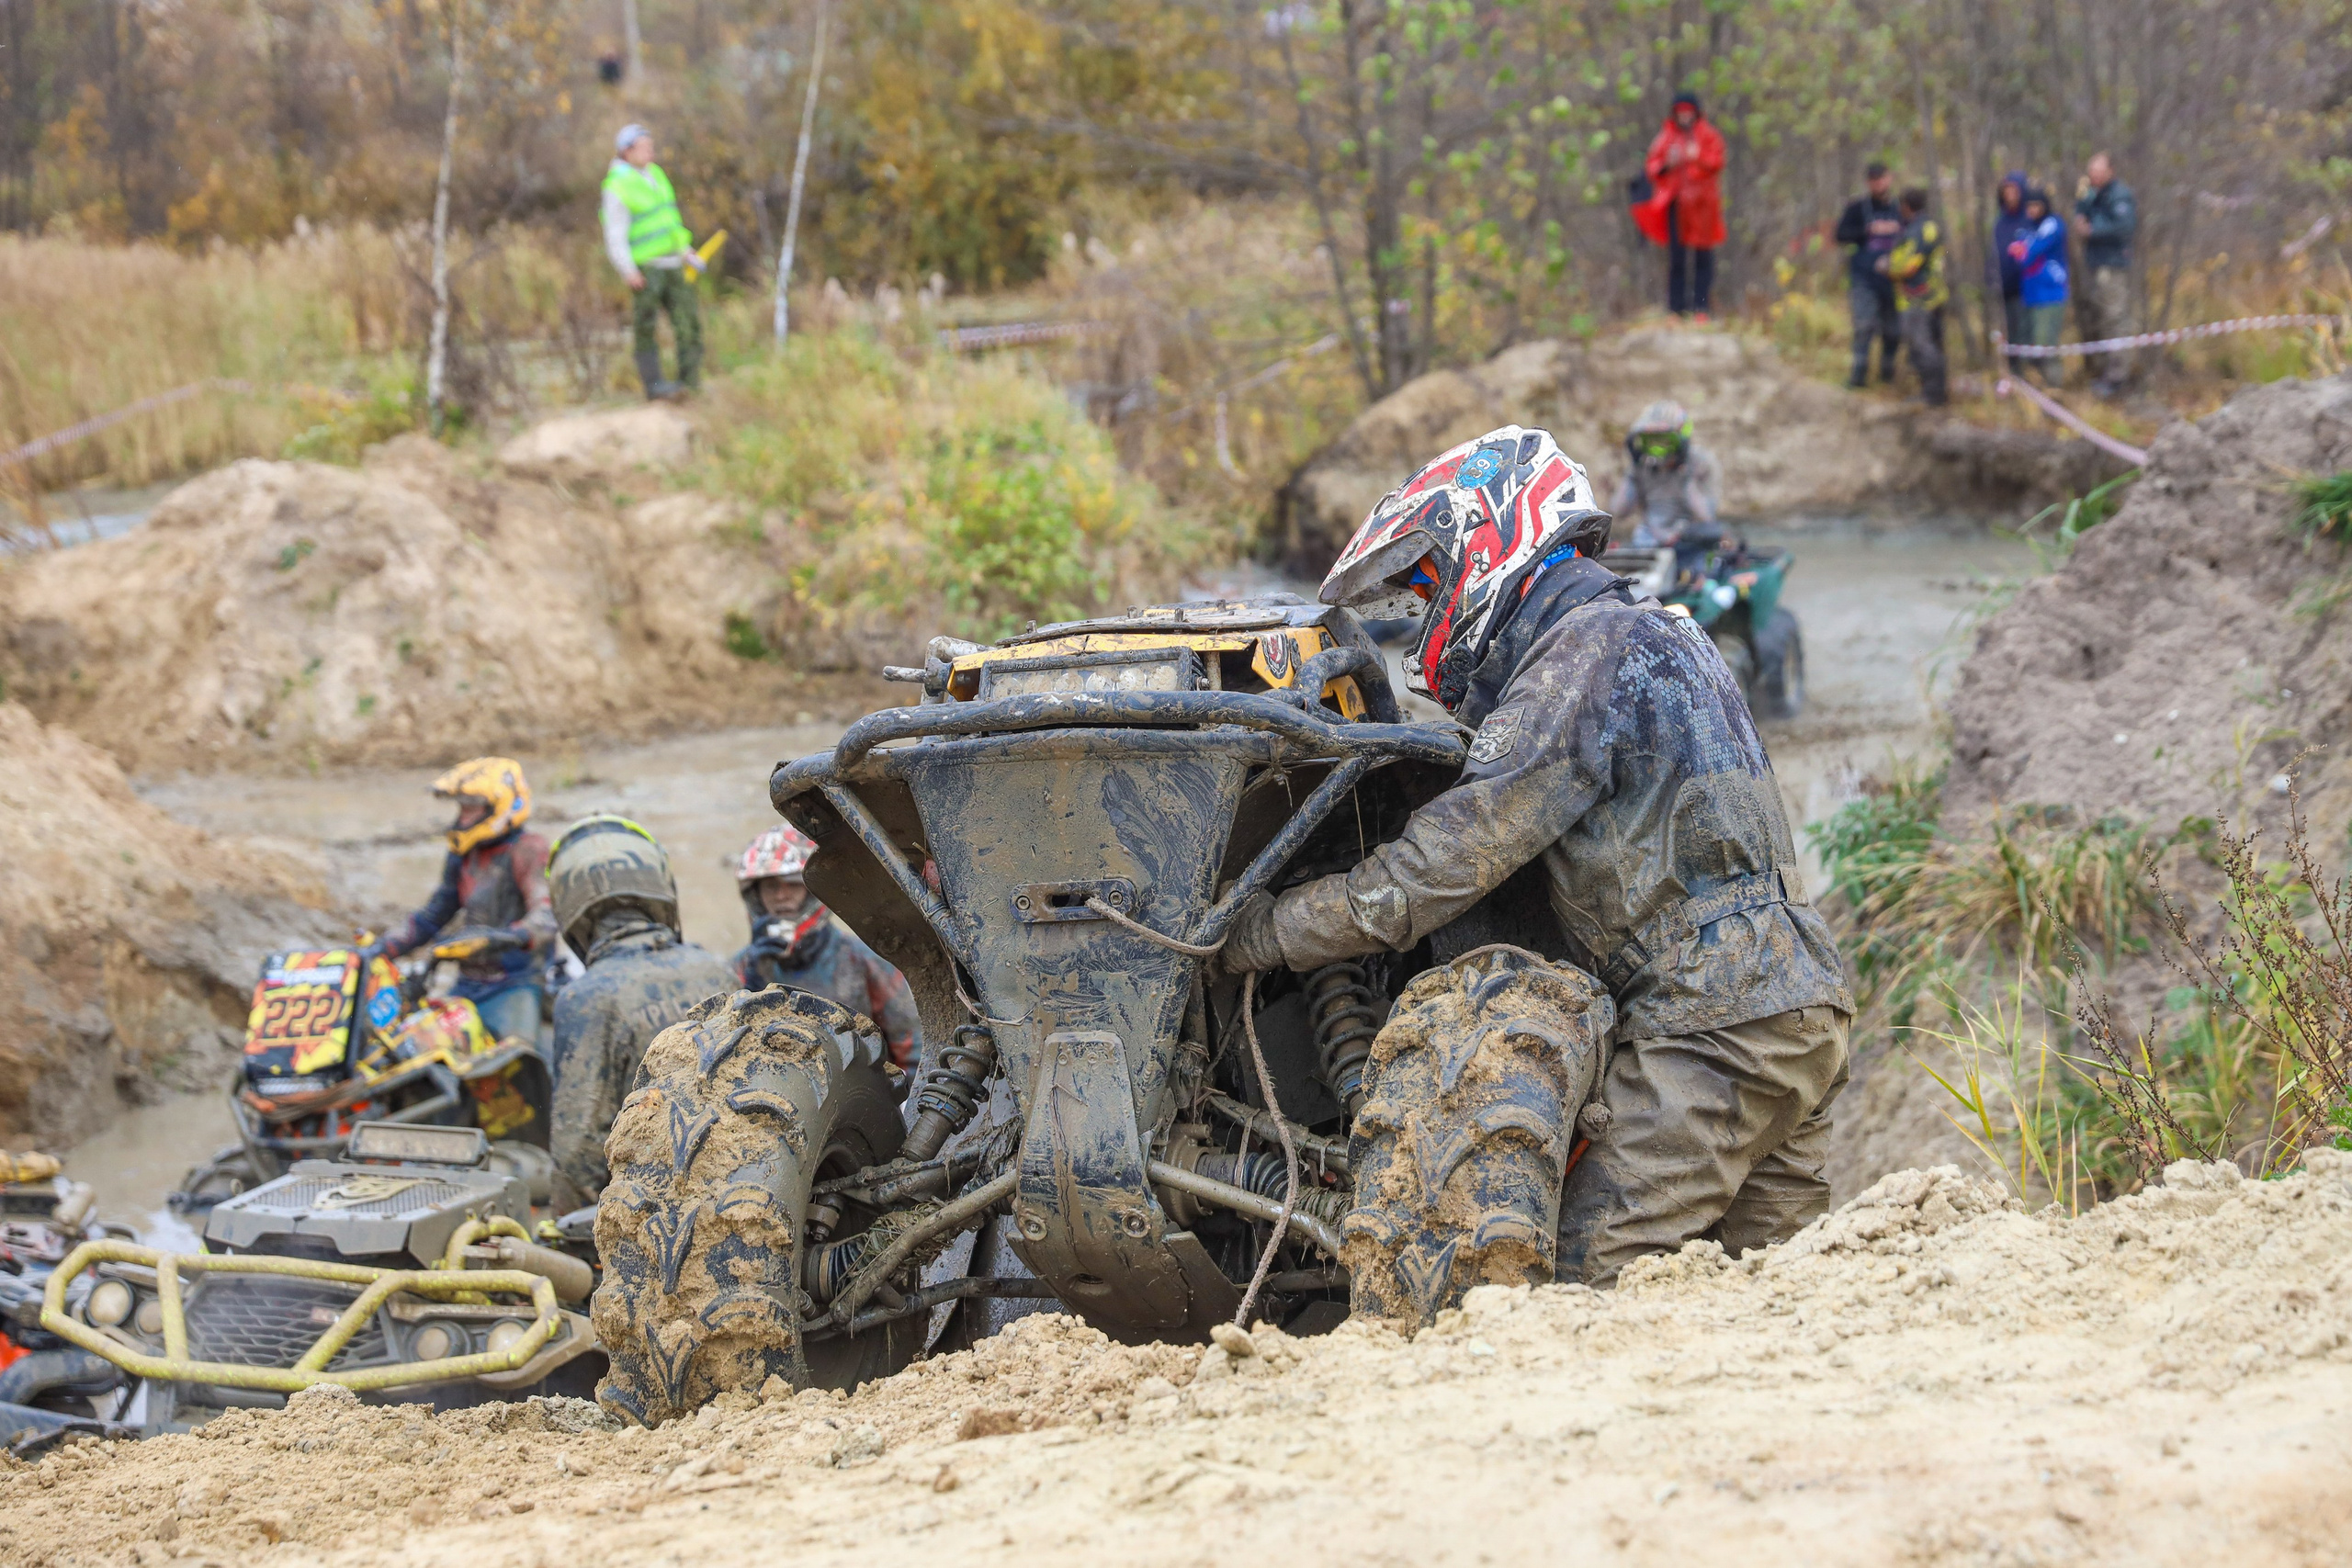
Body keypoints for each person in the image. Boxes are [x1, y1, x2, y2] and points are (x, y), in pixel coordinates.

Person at [1221, 423, 1852, 1289]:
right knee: (1769, 1294)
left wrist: (1259, 932)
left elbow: (1433, 870)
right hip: (1801, 1003)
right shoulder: (1661, 631)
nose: (1427, 612)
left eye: (1429, 583)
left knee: (1587, 1282)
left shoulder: (1578, 656)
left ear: (1493, 535)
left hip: (1713, 1026)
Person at [545, 815, 735, 1207]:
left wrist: (565, 1229)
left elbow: (577, 1152)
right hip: (740, 1185)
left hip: (649, 1210)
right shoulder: (719, 972)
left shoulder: (585, 997)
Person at [374, 758, 556, 1047]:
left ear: (501, 806)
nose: (462, 819)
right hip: (467, 984)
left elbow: (546, 917)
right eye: (461, 809)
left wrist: (498, 938)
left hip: (517, 982)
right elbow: (432, 917)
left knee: (519, 1058)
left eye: (471, 809)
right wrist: (376, 951)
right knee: (408, 1048)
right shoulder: (464, 854)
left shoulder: (529, 849)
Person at [732, 825, 922, 1069]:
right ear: (756, 895)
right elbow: (730, 1057)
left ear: (814, 889)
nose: (781, 896)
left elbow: (913, 1049)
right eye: (771, 886)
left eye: (792, 884)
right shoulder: (742, 967)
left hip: (858, 1086)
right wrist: (751, 991)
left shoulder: (865, 959)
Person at [602, 123, 703, 400]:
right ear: (627, 151)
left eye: (651, 146)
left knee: (688, 322)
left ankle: (690, 383)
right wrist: (628, 270)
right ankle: (654, 387)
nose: (650, 152)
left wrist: (685, 251)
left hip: (674, 263)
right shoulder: (617, 185)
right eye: (644, 147)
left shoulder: (656, 174)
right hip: (647, 269)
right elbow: (615, 235)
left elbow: (669, 220)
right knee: (646, 327)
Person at [1640, 94, 1726, 320]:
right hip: (1676, 205)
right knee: (1676, 258)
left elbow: (1717, 162)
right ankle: (1675, 309)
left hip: (1702, 205)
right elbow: (1652, 167)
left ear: (1696, 112)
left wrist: (1697, 156)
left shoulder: (1708, 135)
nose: (1685, 115)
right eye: (1680, 111)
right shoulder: (1667, 136)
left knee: (1703, 256)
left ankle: (1701, 308)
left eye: (1688, 111)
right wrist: (1667, 164)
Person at [1610, 399, 1722, 556]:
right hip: (1649, 540)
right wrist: (1633, 472)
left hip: (1690, 542)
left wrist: (1687, 478)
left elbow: (1707, 517)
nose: (1658, 449)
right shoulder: (1643, 465)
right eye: (1650, 441)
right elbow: (1619, 511)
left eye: (1665, 441)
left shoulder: (1700, 461)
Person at [2072, 152, 2139, 396]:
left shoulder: (2119, 194)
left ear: (2110, 171)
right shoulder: (2092, 194)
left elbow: (2124, 226)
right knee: (2099, 317)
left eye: (2098, 171)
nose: (2094, 175)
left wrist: (2093, 230)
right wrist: (2081, 212)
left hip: (2113, 265)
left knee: (2115, 318)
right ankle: (2103, 371)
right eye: (2091, 171)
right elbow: (2081, 213)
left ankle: (2118, 376)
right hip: (2095, 264)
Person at [1835, 162, 1905, 388]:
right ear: (1868, 182)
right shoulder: (1857, 208)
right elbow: (1840, 235)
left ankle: (1887, 373)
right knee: (1864, 326)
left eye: (1881, 178)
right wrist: (1866, 232)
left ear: (1889, 178)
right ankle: (1858, 375)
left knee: (1893, 330)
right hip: (1864, 278)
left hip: (1894, 280)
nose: (1878, 184)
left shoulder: (1900, 208)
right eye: (1873, 180)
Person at [1884, 186, 1949, 407]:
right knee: (1929, 344)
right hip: (1930, 295)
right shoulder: (1923, 226)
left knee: (1922, 345)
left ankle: (1933, 394)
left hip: (1920, 297)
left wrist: (1888, 267)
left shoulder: (1919, 229)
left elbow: (1910, 265)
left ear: (1905, 206)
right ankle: (1933, 392)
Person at [2010, 187, 2071, 386]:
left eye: (2036, 205)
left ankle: (2054, 388)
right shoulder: (2027, 228)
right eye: (2029, 206)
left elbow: (2029, 253)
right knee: (2029, 343)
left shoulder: (2052, 224)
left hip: (2050, 293)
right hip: (2030, 294)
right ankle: (2035, 386)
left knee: (2046, 344)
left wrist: (2022, 250)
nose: (2032, 210)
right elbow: (2017, 254)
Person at [1989, 171, 2033, 378]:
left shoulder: (2029, 219)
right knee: (2010, 332)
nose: (2009, 195)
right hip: (2005, 288)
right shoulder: (2000, 221)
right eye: (2006, 190)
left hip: (2026, 288)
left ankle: (2028, 373)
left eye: (2014, 190)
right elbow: (1993, 253)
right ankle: (2014, 374)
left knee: (2026, 332)